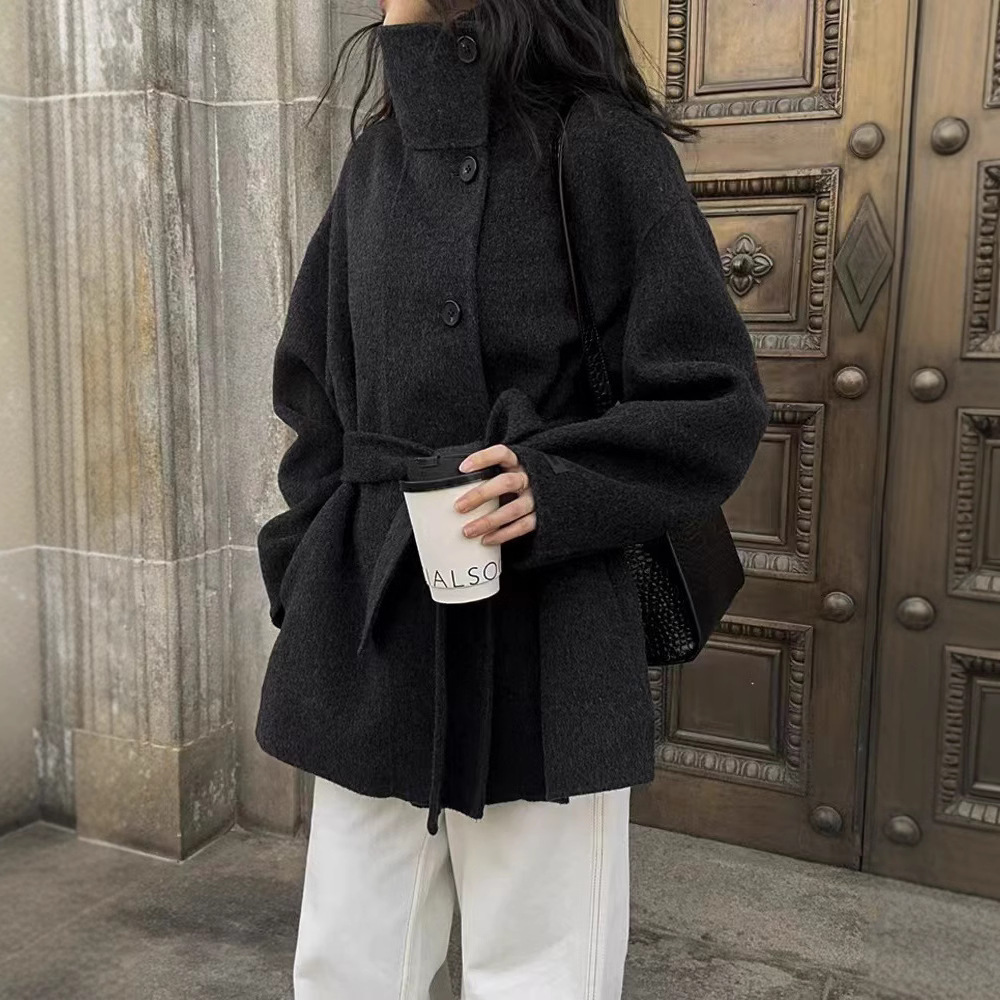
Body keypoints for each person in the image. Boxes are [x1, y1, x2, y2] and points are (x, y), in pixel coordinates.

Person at [254, 1, 770, 997]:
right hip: (374, 626)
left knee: (545, 972)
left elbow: (714, 397)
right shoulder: (374, 162)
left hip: (552, 633)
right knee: (347, 964)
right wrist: (305, 571)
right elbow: (311, 393)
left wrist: (557, 483)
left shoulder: (602, 146)